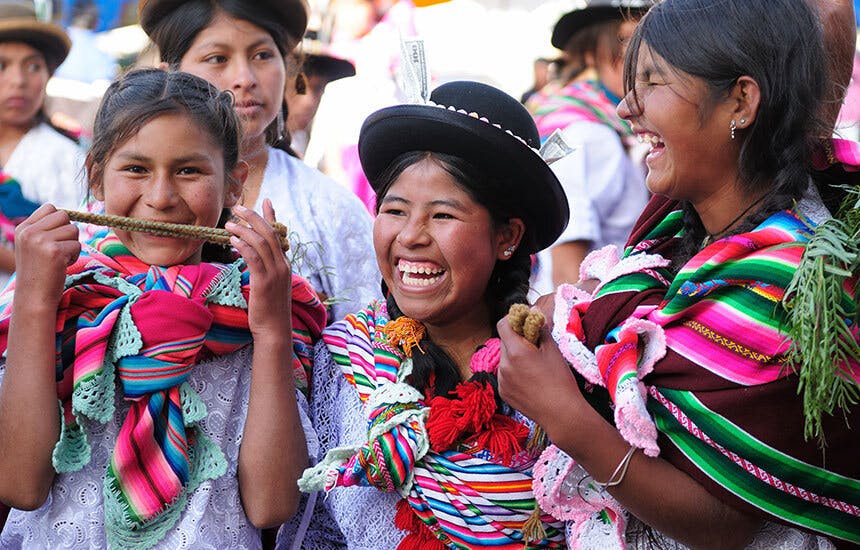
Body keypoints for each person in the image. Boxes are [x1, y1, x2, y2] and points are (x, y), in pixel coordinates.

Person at [497, 0, 860, 548]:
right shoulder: (676, 226)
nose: (626, 107)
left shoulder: (784, 282)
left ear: (741, 101)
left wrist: (563, 415)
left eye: (652, 81)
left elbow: (722, 524)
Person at [0, 68, 327, 548]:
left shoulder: (263, 305)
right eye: (136, 169)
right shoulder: (58, 296)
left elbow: (271, 504)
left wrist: (272, 329)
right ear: (96, 176)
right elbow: (19, 485)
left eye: (189, 171)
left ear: (234, 184)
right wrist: (35, 302)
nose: (160, 199)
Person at [288, 81, 571, 548]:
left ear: (507, 237)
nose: (410, 236)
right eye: (395, 210)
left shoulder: (554, 363)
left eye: (442, 216)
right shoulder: (343, 363)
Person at [133, 0, 380, 322]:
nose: (245, 78)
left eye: (262, 55)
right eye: (217, 58)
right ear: (169, 75)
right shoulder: (126, 198)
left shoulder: (329, 210)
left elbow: (371, 335)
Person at [527, 0, 652, 295]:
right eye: (625, 41)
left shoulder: (605, 126)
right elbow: (567, 270)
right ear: (589, 53)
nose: (640, 55)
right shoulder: (585, 133)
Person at [0, 0, 85, 289]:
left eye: (33, 66)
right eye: (1, 66)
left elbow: (78, 261)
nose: (18, 81)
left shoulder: (66, 159)